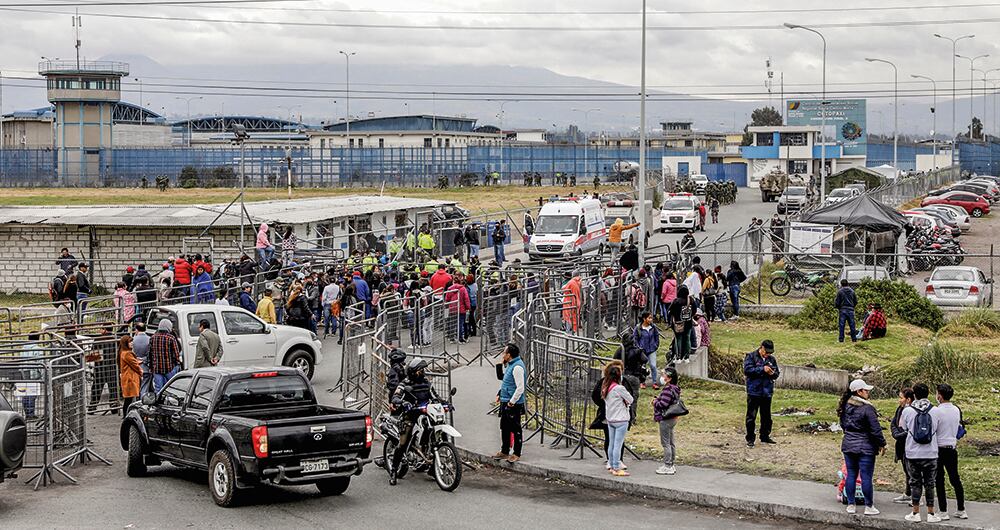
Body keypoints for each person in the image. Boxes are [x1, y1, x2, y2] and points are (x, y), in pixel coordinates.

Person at [837, 379, 887, 515]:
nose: (868, 392)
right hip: (866, 447)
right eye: (866, 390)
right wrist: (882, 443)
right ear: (859, 392)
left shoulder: (845, 406)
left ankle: (851, 504)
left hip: (848, 445)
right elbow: (875, 429)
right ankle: (869, 506)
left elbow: (843, 425)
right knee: (866, 477)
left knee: (851, 475)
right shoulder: (867, 408)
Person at [899, 383, 942, 523]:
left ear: (914, 395)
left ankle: (915, 512)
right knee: (930, 483)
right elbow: (938, 429)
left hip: (912, 452)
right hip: (931, 452)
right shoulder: (936, 410)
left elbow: (902, 427)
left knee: (915, 483)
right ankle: (931, 513)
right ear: (928, 393)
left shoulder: (907, 411)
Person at [389, 357, 435, 485]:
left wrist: (444, 403)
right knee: (403, 444)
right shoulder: (405, 383)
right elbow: (395, 398)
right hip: (410, 415)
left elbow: (435, 396)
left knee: (435, 433)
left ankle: (432, 466)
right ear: (414, 372)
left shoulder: (426, 383)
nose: (423, 372)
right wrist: (403, 402)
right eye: (421, 370)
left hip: (425, 414)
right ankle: (393, 470)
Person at [934, 384, 966, 520]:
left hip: (938, 448)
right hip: (952, 448)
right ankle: (961, 509)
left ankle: (943, 511)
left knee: (939, 480)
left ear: (939, 396)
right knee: (955, 479)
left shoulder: (936, 411)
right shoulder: (956, 409)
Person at [744, 339, 780, 448]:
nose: (768, 354)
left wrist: (772, 373)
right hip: (754, 391)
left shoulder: (772, 360)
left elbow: (777, 373)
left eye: (770, 352)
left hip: (766, 392)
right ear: (762, 348)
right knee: (751, 416)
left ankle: (765, 436)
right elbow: (748, 370)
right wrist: (762, 369)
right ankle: (750, 438)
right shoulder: (751, 357)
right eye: (766, 351)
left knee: (766, 416)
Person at [494, 343, 526, 463]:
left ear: (509, 355)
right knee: (505, 427)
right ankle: (505, 450)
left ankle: (516, 453)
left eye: (504, 353)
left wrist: (512, 402)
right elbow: (506, 380)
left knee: (515, 428)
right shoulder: (510, 365)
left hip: (512, 403)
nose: (503, 355)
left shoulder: (517, 367)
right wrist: (500, 393)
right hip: (505, 400)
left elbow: (520, 387)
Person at [602, 363, 634, 477]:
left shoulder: (606, 388)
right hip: (621, 419)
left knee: (611, 443)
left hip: (610, 419)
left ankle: (611, 464)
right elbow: (630, 399)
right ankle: (616, 467)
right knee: (618, 444)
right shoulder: (619, 388)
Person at [651, 366, 681, 475]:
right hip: (672, 418)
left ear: (669, 378)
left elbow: (663, 404)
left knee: (666, 443)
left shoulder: (668, 389)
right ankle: (671, 464)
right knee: (671, 442)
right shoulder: (675, 388)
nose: (662, 377)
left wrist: (655, 402)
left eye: (664, 375)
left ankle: (667, 465)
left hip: (665, 419)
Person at [891, 388, 916, 505]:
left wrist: (899, 435)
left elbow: (911, 430)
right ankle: (908, 493)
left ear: (908, 399)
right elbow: (894, 423)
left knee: (912, 471)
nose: (899, 400)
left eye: (901, 398)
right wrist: (896, 433)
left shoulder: (913, 411)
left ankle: (916, 495)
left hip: (909, 444)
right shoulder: (900, 409)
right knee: (906, 470)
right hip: (901, 444)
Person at [149, 319, 182, 393]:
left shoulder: (152, 338)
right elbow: (176, 355)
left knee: (158, 389)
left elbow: (150, 354)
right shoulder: (171, 338)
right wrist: (177, 364)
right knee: (171, 388)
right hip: (169, 368)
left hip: (156, 369)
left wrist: (151, 367)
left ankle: (158, 402)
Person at [667, 285, 696, 363]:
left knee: (678, 339)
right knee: (687, 339)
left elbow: (670, 311)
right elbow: (694, 311)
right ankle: (686, 357)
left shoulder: (676, 301)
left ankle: (678, 357)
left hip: (678, 323)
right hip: (688, 323)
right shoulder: (691, 300)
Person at [634, 312, 660, 390]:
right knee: (643, 367)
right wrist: (639, 348)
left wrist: (656, 345)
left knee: (653, 366)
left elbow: (656, 336)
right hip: (642, 351)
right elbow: (635, 339)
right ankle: (642, 382)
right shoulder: (638, 328)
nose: (650, 319)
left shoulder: (653, 327)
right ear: (644, 319)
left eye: (651, 318)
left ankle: (654, 382)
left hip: (652, 349)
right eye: (649, 318)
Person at [118, 335, 141, 416]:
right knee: (129, 399)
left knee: (128, 399)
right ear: (125, 343)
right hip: (130, 379)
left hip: (127, 378)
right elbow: (134, 365)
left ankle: (126, 415)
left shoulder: (123, 352)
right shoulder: (127, 353)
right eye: (130, 342)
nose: (132, 343)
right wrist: (141, 372)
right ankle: (127, 415)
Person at [133, 322, 152, 395]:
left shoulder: (133, 340)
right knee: (145, 386)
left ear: (136, 330)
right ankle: (143, 400)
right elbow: (150, 354)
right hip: (146, 366)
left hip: (136, 366)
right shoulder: (149, 339)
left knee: (136, 385)